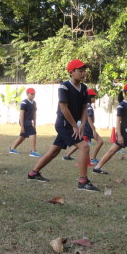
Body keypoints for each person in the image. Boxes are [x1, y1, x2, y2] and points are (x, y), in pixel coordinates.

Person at [27, 59, 99, 191]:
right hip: (64, 124)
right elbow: (64, 108)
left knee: (54, 150)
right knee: (84, 147)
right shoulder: (64, 87)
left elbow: (84, 108)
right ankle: (83, 182)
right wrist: (75, 126)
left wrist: (82, 125)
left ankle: (33, 173)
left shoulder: (84, 88)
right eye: (80, 71)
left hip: (73, 125)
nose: (83, 73)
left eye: (84, 71)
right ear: (71, 72)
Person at [62, 88, 104, 164]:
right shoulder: (89, 107)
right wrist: (93, 130)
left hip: (85, 128)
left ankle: (67, 155)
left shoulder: (86, 106)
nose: (94, 99)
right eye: (93, 97)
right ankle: (92, 159)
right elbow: (89, 118)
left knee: (81, 142)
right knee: (100, 141)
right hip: (88, 128)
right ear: (89, 97)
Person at [9, 87, 41, 157]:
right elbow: (21, 114)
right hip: (24, 120)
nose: (33, 95)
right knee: (33, 132)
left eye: (34, 94)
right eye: (31, 94)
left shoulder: (34, 103)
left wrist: (35, 124)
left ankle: (12, 148)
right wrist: (22, 126)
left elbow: (34, 113)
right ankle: (33, 151)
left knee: (23, 136)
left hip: (29, 121)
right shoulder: (24, 102)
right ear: (27, 94)